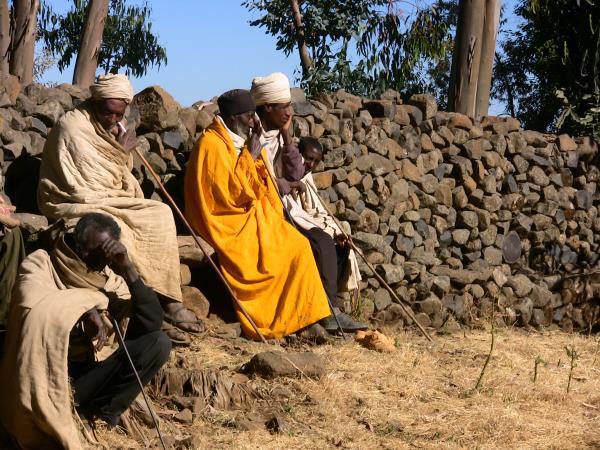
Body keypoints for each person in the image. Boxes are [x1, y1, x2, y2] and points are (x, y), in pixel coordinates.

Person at [37, 73, 202, 341]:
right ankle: (140, 308)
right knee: (115, 229)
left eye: (119, 114)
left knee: (160, 213)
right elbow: (87, 185)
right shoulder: (73, 127)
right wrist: (120, 152)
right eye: (107, 112)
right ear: (94, 101)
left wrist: (118, 149)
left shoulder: (111, 125)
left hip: (106, 196)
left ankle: (168, 299)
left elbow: (114, 178)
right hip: (71, 200)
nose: (113, 119)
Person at [0, 213, 171, 449]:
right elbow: (32, 310)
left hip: (86, 383)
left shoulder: (110, 281)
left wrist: (128, 268)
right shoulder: (41, 264)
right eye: (91, 251)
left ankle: (102, 418)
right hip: (48, 384)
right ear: (77, 244)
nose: (95, 260)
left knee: (159, 343)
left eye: (104, 254)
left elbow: (152, 323)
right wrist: (82, 308)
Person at [184, 89, 331, 341]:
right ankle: (273, 322)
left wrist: (253, 157)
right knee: (265, 258)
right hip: (223, 220)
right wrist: (250, 156)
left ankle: (304, 319)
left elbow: (264, 185)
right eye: (249, 116)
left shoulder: (246, 140)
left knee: (298, 246)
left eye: (254, 116)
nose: (254, 122)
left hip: (251, 213)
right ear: (232, 118)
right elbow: (230, 195)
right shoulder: (212, 145)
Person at [251, 73, 366, 332]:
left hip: (283, 203)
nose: (289, 112)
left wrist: (287, 135)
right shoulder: (253, 135)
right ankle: (328, 312)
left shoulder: (277, 136)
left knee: (334, 243)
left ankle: (325, 308)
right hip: (265, 209)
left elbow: (294, 174)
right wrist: (284, 186)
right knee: (319, 241)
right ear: (268, 106)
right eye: (284, 106)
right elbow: (254, 179)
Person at [283, 138, 367, 331]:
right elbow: (291, 210)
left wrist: (334, 231)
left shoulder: (307, 178)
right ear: (298, 154)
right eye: (307, 158)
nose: (310, 164)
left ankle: (329, 305)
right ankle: (329, 312)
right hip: (290, 225)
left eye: (315, 162)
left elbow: (315, 212)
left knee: (341, 247)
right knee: (323, 242)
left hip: (307, 224)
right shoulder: (284, 170)